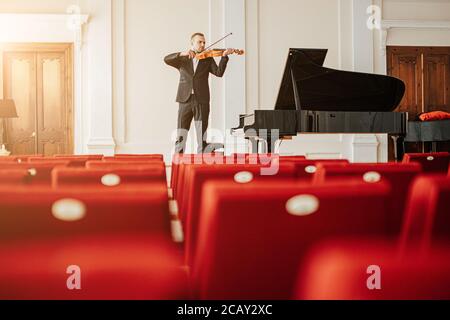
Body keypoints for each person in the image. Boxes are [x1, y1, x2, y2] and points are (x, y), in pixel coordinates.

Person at [164, 33, 234, 154]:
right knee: (181, 134)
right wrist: (182, 53)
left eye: (204, 42)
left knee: (201, 136)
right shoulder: (182, 59)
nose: (202, 44)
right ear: (192, 43)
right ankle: (178, 162)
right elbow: (166, 59)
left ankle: (201, 163)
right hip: (184, 100)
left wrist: (224, 57)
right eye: (199, 42)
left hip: (201, 101)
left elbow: (219, 72)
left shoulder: (207, 58)